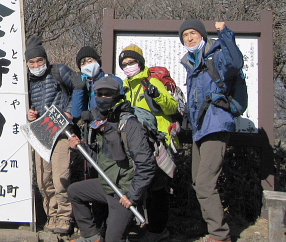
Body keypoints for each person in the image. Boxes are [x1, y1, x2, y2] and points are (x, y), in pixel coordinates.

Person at [67, 76, 156, 242]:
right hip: (107, 185)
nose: (103, 98)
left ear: (118, 95)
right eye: (99, 93)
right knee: (75, 191)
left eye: (108, 94)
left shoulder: (130, 125)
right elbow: (100, 158)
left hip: (123, 192)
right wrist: (80, 147)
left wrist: (132, 195)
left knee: (114, 239)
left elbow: (147, 165)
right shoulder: (102, 122)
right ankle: (92, 237)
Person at [179, 19, 243, 242]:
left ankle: (219, 234)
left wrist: (225, 33)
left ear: (203, 35)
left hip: (215, 126)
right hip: (200, 130)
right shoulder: (191, 65)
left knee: (205, 183)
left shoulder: (216, 56)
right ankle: (210, 226)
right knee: (198, 181)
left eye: (193, 33)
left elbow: (235, 63)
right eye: (185, 34)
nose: (189, 37)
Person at [119, 44, 179, 242]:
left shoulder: (150, 81)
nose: (128, 66)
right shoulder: (127, 86)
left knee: (157, 188)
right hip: (138, 143)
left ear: (140, 62)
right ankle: (148, 226)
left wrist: (157, 94)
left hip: (159, 141)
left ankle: (158, 230)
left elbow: (172, 107)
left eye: (132, 62)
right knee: (145, 185)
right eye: (124, 64)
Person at [25, 35, 75, 235]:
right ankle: (51, 215)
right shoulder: (26, 80)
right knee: (43, 179)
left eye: (40, 61)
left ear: (46, 59)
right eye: (32, 62)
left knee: (60, 177)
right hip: (41, 133)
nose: (37, 65)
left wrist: (70, 111)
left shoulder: (59, 71)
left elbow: (78, 90)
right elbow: (24, 105)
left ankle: (65, 217)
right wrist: (28, 113)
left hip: (61, 132)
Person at [70, 46, 122, 122]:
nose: (87, 65)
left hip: (110, 128)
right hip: (91, 131)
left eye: (89, 61)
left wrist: (94, 117)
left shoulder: (113, 81)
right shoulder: (85, 85)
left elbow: (118, 108)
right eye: (83, 63)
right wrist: (78, 89)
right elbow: (76, 114)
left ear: (98, 61)